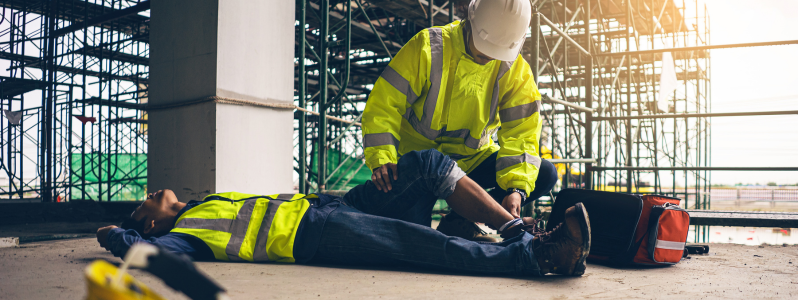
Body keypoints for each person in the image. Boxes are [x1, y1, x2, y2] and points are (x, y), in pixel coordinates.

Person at [97, 149, 591, 277]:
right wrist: (115, 234)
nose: (151, 191)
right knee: (422, 247)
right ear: (151, 220)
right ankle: (538, 256)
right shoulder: (181, 235)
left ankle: (515, 230)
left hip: (325, 207)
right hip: (314, 236)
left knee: (424, 167)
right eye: (143, 204)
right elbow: (143, 252)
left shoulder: (203, 203)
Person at [361, 0, 558, 242]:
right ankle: (454, 217)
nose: (488, 57)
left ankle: (462, 220)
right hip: (420, 165)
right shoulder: (429, 47)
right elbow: (384, 104)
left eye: (495, 52)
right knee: (415, 236)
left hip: (471, 162)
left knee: (545, 173)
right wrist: (382, 158)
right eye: (483, 48)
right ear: (470, 21)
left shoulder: (515, 71)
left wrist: (515, 189)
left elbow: (522, 134)